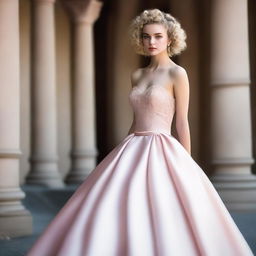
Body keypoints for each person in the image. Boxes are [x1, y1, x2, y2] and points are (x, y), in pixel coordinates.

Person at [27, 9, 254, 256]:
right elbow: (137, 120)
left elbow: (181, 122)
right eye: (146, 36)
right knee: (116, 201)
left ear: (170, 39)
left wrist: (187, 164)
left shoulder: (177, 74)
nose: (151, 42)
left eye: (158, 36)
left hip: (164, 146)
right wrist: (121, 150)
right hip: (133, 143)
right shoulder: (137, 74)